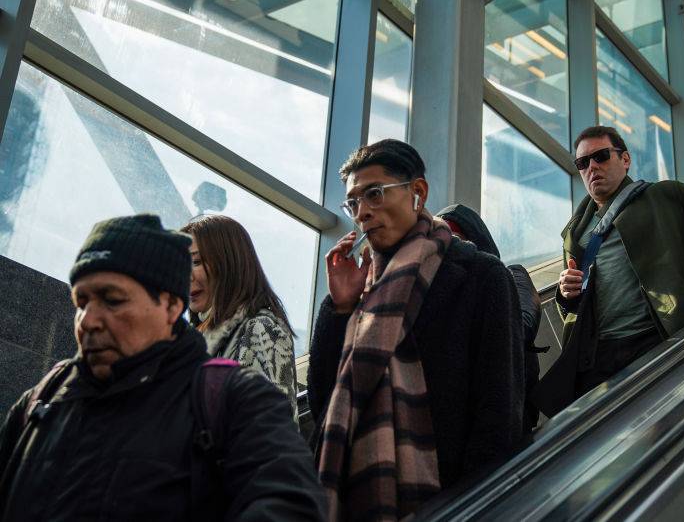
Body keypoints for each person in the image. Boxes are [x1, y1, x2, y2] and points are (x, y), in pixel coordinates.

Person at [0, 214, 325, 521]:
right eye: (80, 304)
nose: (89, 321)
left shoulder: (236, 369)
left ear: (169, 306)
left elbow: (278, 482)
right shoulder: (44, 398)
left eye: (112, 300)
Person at [308, 140, 523, 520]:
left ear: (417, 193)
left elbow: (497, 413)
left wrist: (471, 508)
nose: (362, 213)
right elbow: (324, 402)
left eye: (374, 194)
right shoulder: (363, 288)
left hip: (445, 497)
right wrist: (339, 307)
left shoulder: (480, 276)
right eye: (353, 203)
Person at [540, 125, 684, 411]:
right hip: (597, 358)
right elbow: (575, 305)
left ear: (625, 159)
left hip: (657, 339)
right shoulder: (576, 231)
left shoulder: (663, 196)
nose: (592, 167)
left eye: (601, 156)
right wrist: (566, 294)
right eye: (583, 163)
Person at [436, 203, 543, 436]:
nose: (450, 248)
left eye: (456, 238)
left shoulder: (512, 276)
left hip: (510, 413)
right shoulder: (445, 294)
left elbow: (522, 327)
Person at [181, 214, 299, 421]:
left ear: (228, 263)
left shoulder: (260, 329)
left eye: (196, 262)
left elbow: (273, 433)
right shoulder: (193, 342)